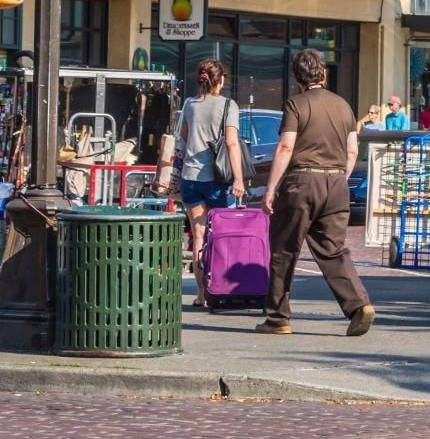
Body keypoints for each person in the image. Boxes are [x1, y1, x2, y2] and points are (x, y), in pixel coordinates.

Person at [260, 49, 373, 336]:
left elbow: (286, 147)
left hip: (302, 181)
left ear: (297, 77)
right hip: (336, 182)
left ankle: (278, 318)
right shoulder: (343, 106)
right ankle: (359, 305)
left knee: (284, 250)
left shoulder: (295, 104)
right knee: (333, 249)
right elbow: (352, 150)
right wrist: (338, 178)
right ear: (324, 74)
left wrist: (271, 188)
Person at [154, 58, 246, 310]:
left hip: (190, 178)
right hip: (217, 180)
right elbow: (231, 143)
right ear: (222, 80)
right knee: (221, 237)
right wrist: (238, 178)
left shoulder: (189, 104)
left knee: (198, 236)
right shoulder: (229, 105)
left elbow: (181, 138)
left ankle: (202, 295)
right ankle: (221, 288)